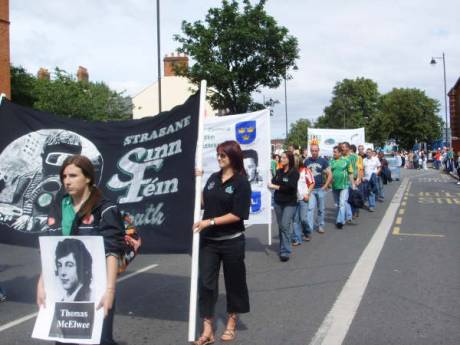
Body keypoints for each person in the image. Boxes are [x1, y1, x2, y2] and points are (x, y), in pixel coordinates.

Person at [37, 155, 125, 345]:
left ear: (88, 178)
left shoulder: (105, 209)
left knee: (98, 339)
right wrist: (42, 282)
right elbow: (51, 249)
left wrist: (109, 290)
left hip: (95, 288)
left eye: (73, 175)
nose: (67, 181)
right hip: (62, 289)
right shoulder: (58, 205)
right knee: (63, 339)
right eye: (64, 176)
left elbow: (112, 252)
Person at [193, 140, 251, 345]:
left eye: (222, 156)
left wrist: (210, 221)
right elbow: (203, 202)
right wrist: (197, 183)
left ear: (233, 158)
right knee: (206, 284)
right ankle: (207, 328)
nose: (219, 158)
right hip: (209, 242)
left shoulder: (241, 183)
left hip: (232, 242)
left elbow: (238, 214)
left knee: (234, 283)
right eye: (218, 155)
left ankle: (231, 322)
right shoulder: (212, 178)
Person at [268, 151, 299, 262]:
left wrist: (275, 186)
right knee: (281, 226)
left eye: (284, 157)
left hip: (290, 203)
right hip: (278, 202)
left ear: (289, 159)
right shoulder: (279, 171)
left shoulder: (294, 172)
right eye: (281, 157)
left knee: (285, 226)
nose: (282, 159)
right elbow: (271, 182)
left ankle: (285, 251)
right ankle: (283, 248)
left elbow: (290, 187)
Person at [304, 144, 332, 234]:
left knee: (321, 209)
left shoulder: (323, 161)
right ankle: (309, 229)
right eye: (312, 150)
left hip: (320, 188)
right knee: (310, 209)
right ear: (310, 151)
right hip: (310, 190)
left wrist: (325, 185)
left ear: (318, 151)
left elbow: (330, 174)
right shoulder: (306, 161)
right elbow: (303, 175)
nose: (314, 152)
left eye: (316, 150)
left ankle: (320, 225)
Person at [292, 157, 315, 245]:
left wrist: (307, 193)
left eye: (295, 161)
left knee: (303, 218)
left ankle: (307, 232)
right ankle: (297, 239)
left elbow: (312, 182)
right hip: (294, 199)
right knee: (295, 220)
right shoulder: (291, 172)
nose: (294, 163)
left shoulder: (306, 171)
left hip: (303, 198)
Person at [330, 146, 355, 229]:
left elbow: (350, 173)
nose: (334, 153)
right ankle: (342, 219)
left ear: (340, 153)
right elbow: (327, 172)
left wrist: (353, 184)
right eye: (333, 152)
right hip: (334, 186)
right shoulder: (331, 161)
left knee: (342, 203)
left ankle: (339, 221)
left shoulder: (346, 161)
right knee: (337, 204)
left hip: (344, 185)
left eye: (335, 152)